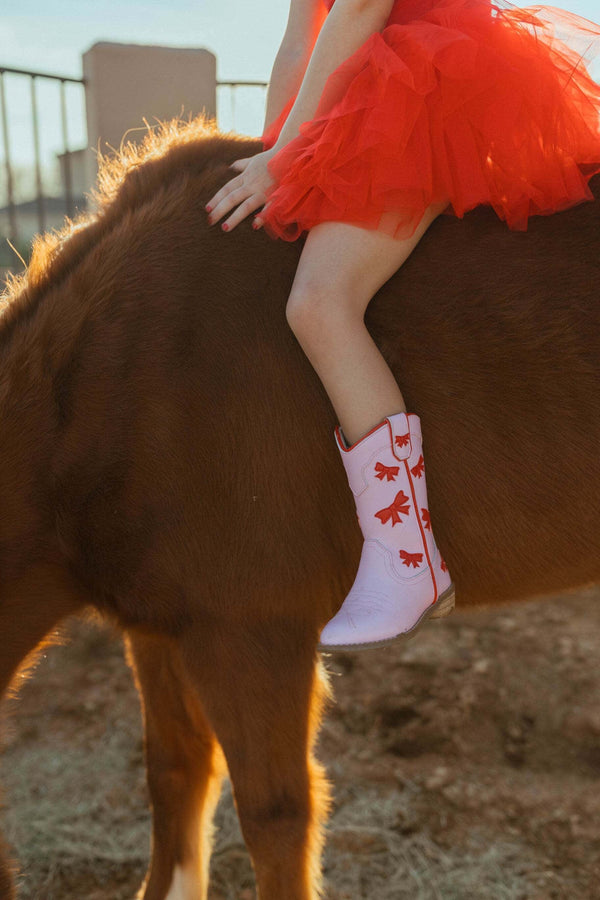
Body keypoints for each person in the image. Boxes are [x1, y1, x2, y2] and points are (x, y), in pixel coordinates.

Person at [203, 0, 600, 652]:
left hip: (427, 80)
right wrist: (271, 153)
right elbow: (300, 36)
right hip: (370, 92)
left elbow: (359, 7)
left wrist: (287, 157)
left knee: (320, 302)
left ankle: (407, 561)